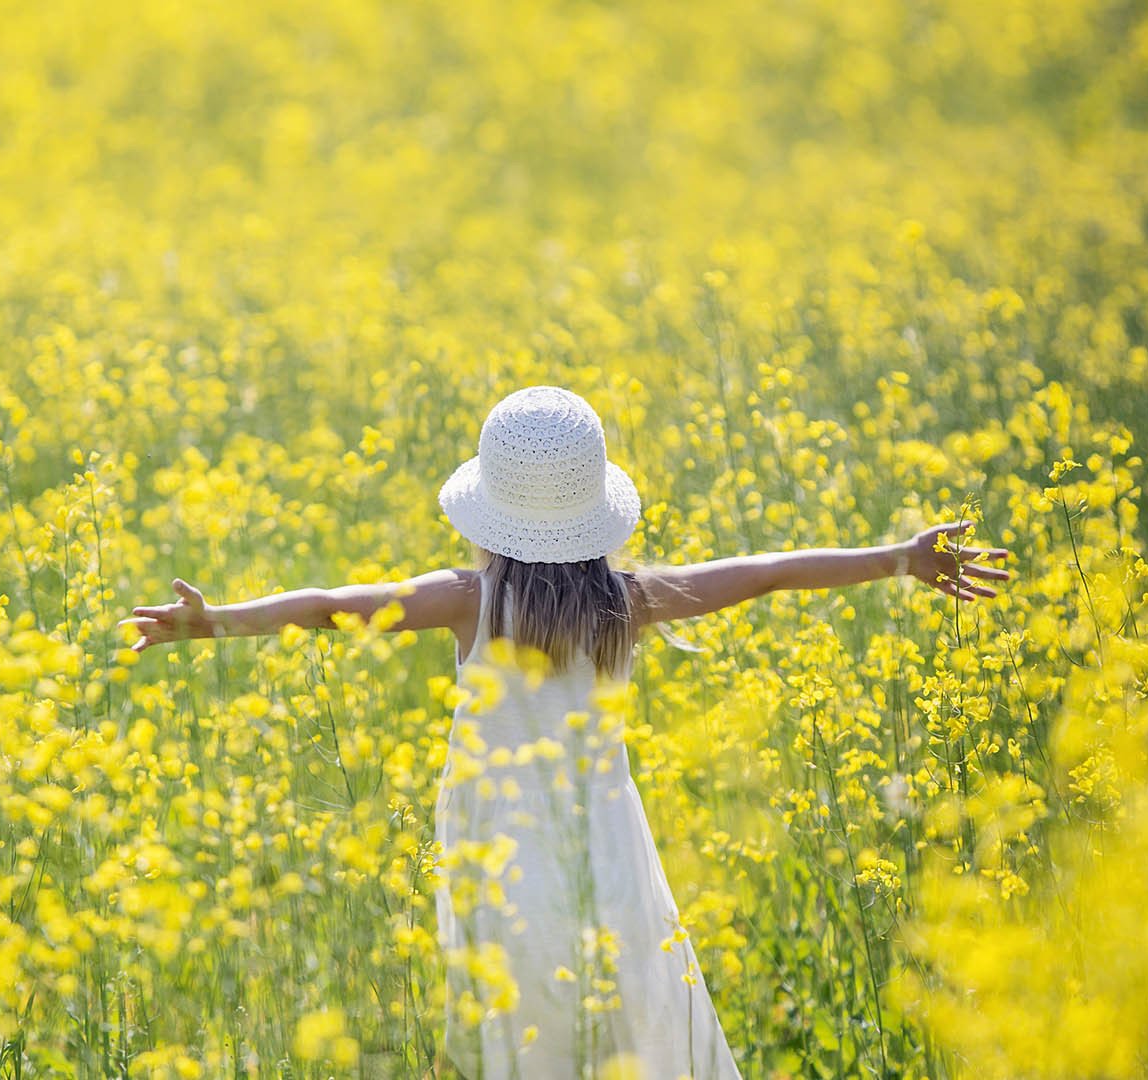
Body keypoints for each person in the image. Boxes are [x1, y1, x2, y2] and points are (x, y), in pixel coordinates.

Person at [119, 385, 1011, 1078]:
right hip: (605, 851)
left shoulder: (469, 600)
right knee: (622, 1021)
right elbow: (767, 571)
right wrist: (902, 558)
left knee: (513, 1031)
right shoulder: (630, 600)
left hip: (498, 852)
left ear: (489, 512)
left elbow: (327, 608)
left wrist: (216, 621)